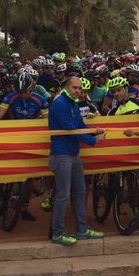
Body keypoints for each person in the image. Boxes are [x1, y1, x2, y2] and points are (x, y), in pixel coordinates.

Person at [47, 74, 107, 246]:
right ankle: (58, 233)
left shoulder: (72, 103)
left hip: (73, 154)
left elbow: (80, 126)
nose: (78, 91)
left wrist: (93, 131)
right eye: (75, 88)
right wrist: (93, 140)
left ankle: (82, 229)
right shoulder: (60, 103)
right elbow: (71, 130)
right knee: (63, 195)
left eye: (80, 88)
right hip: (61, 155)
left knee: (80, 192)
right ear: (67, 87)